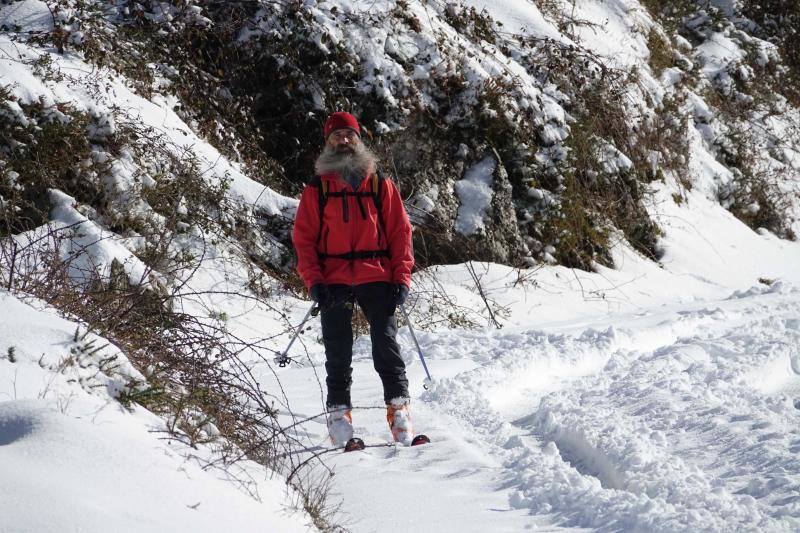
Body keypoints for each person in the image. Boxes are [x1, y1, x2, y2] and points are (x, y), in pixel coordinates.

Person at [292, 111, 416, 445]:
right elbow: (304, 238)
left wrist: (401, 277)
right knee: (338, 348)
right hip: (333, 277)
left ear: (359, 140)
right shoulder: (318, 189)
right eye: (337, 136)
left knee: (385, 343)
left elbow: (400, 233)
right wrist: (314, 279)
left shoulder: (379, 184)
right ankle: (338, 413)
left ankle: (398, 408)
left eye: (350, 135)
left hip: (377, 274)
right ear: (327, 142)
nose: (344, 140)